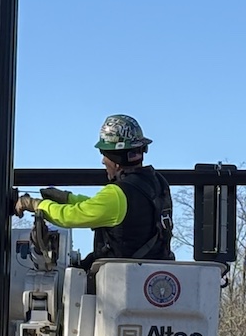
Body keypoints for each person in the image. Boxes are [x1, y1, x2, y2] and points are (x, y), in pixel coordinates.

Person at [14, 114, 174, 275]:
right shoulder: (157, 182)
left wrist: (36, 205)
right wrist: (67, 198)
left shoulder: (118, 193)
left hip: (121, 282)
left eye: (104, 154)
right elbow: (103, 209)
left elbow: (71, 216)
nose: (103, 161)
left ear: (115, 159)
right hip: (154, 275)